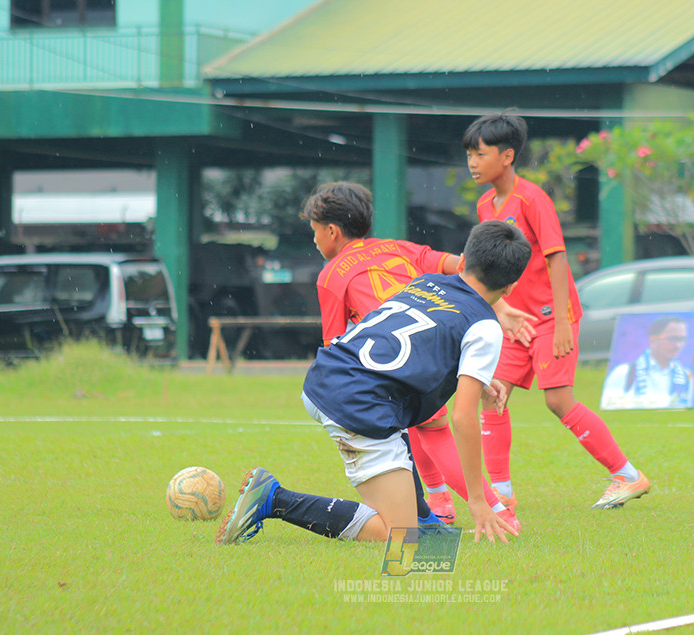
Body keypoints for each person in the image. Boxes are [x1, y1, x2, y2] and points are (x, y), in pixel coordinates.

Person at [216, 220, 532, 545]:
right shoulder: (484, 326)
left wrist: (478, 382)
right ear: (510, 287)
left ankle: (421, 515)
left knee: (411, 516)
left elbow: (417, 345)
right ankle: (273, 498)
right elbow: (463, 418)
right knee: (401, 538)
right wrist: (478, 501)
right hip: (359, 404)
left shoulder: (426, 282)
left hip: (329, 374)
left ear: (463, 261)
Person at [298, 181, 529, 530]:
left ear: (331, 231)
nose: (314, 241)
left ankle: (452, 508)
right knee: (423, 429)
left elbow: (334, 341)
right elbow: (463, 269)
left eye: (314, 232)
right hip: (412, 361)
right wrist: (501, 307)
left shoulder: (334, 274)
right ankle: (453, 508)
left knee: (425, 428)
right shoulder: (397, 247)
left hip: (374, 369)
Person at [464, 112, 651, 510]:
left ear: (508, 155)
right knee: (492, 394)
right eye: (469, 154)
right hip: (515, 321)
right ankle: (503, 494)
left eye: (480, 154)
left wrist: (564, 320)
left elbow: (556, 257)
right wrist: (503, 311)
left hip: (552, 318)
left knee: (558, 401)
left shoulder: (533, 199)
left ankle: (627, 475)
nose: (472, 162)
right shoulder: (485, 204)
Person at [601, 316, 694, 410]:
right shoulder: (624, 372)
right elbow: (610, 406)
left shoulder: (686, 375)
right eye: (672, 339)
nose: (677, 345)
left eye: (681, 340)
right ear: (653, 340)